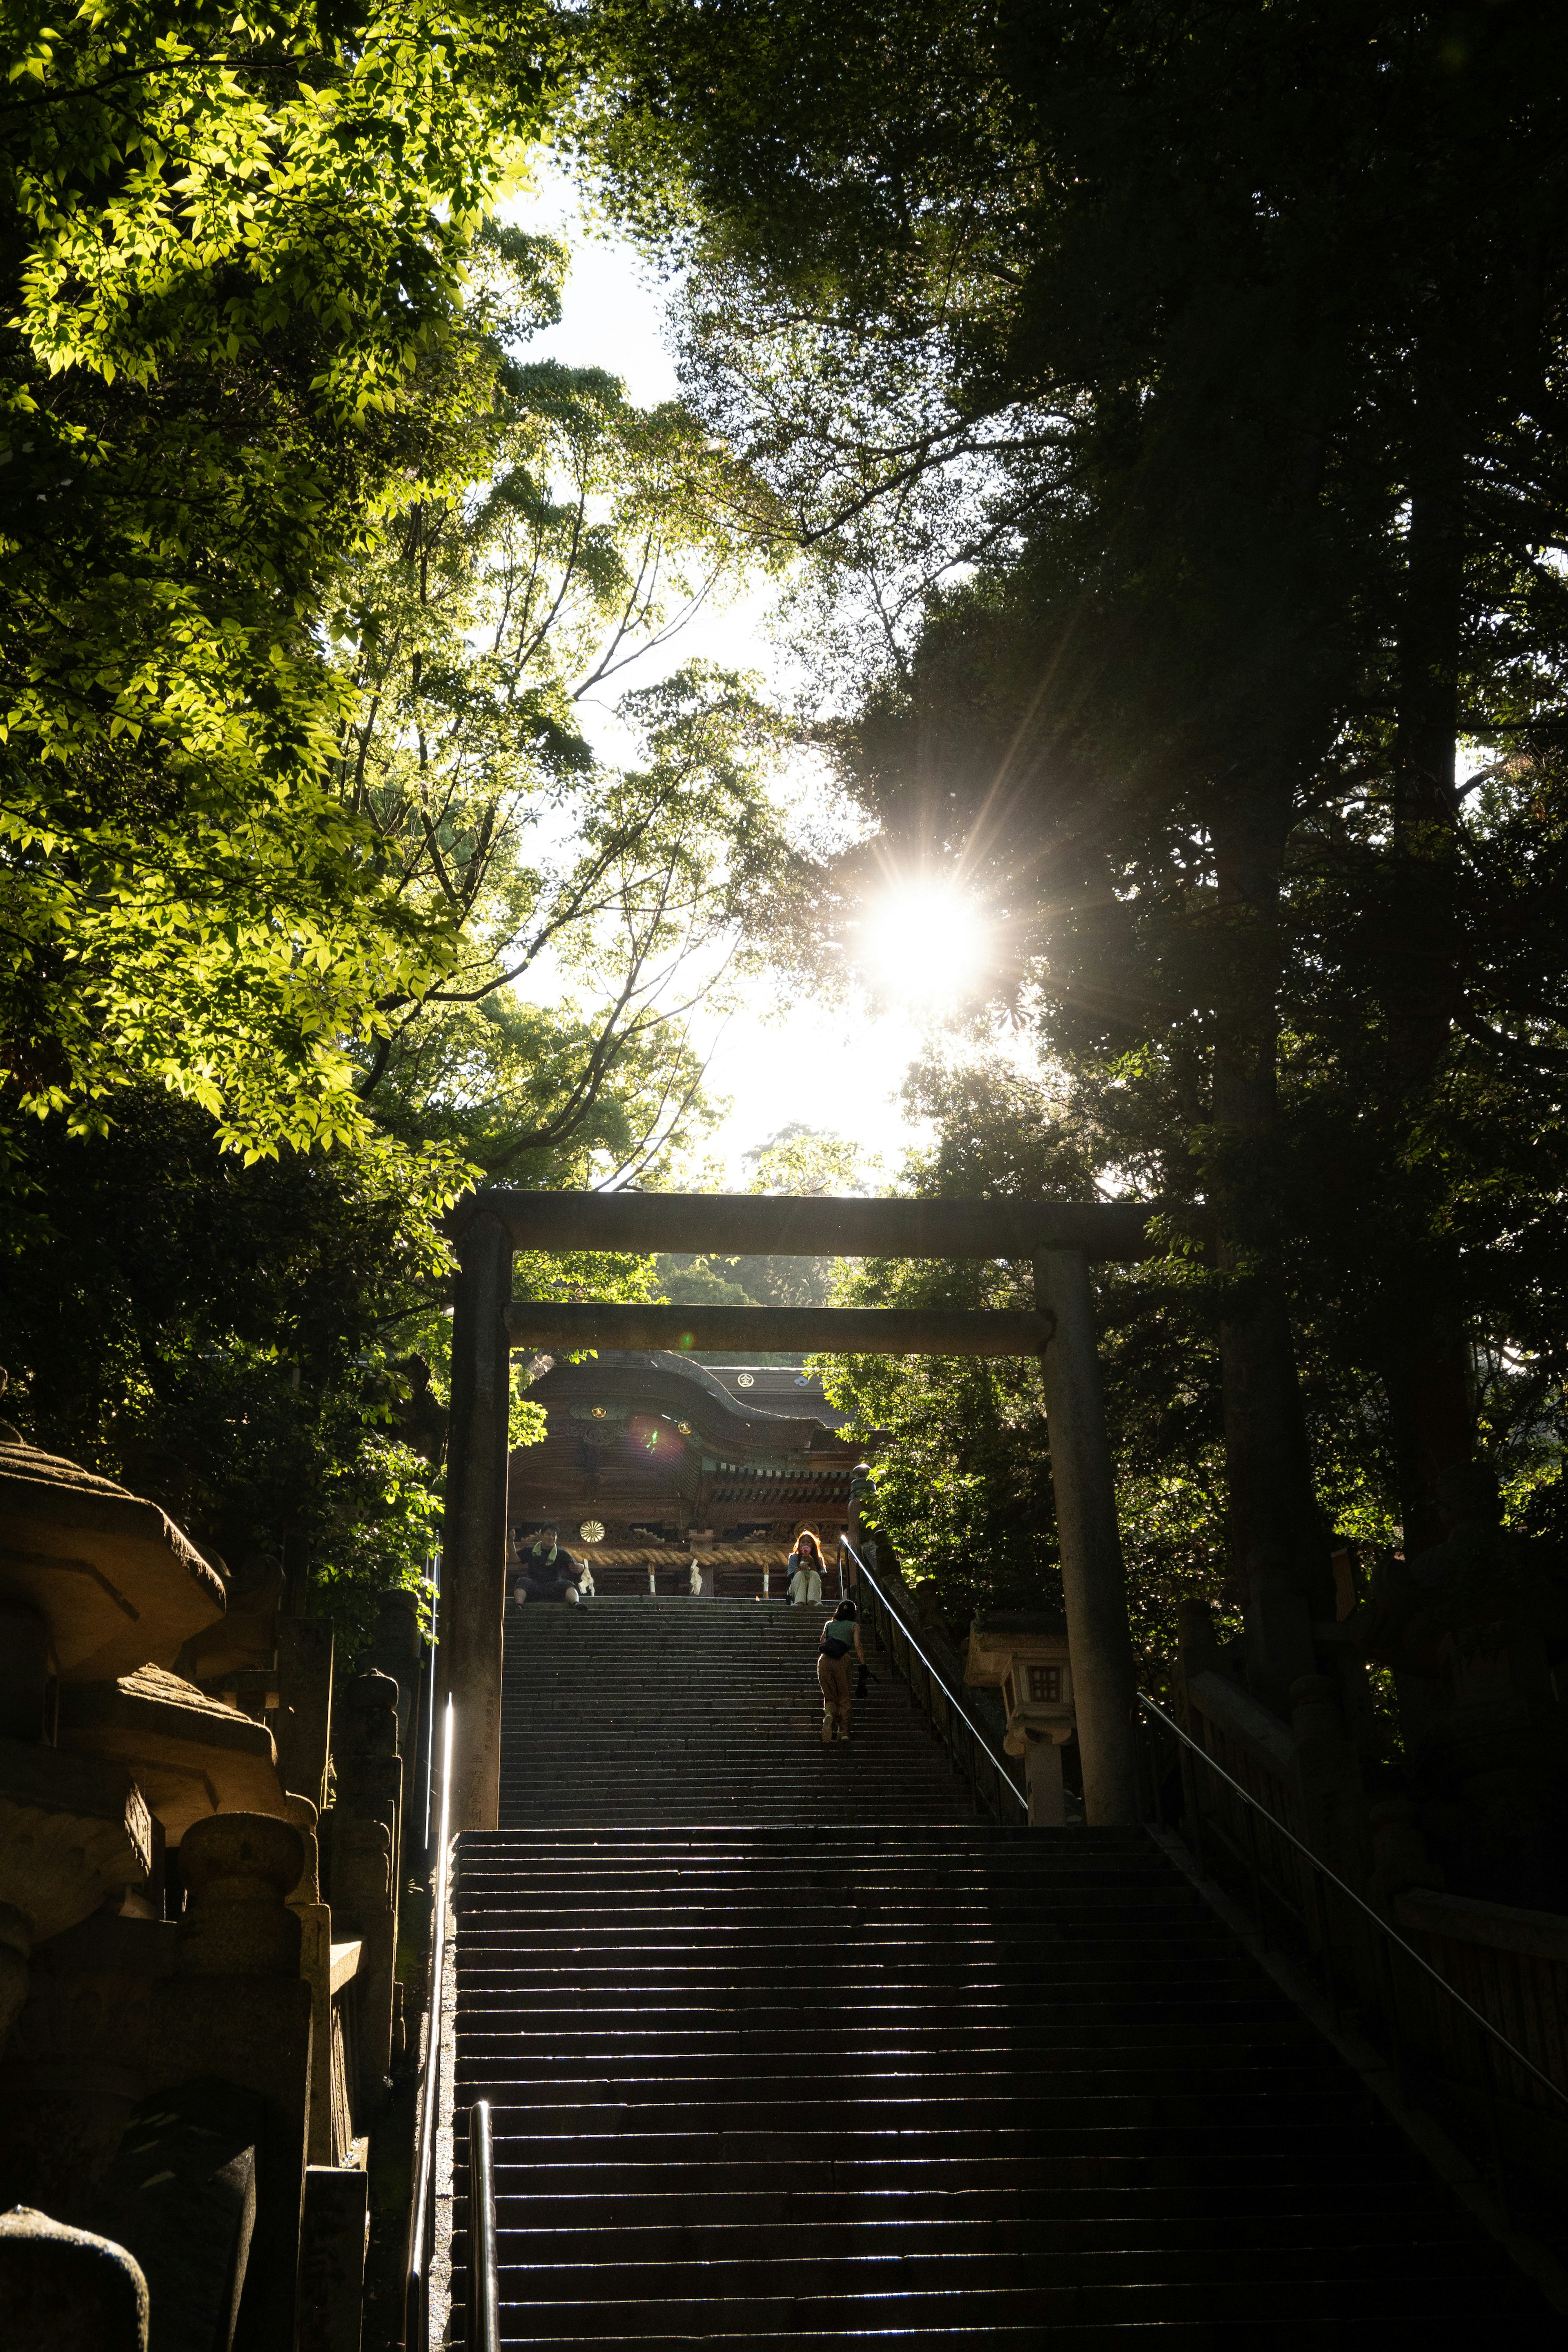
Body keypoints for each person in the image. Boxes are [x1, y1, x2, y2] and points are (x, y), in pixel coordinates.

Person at [817, 1599, 864, 1744]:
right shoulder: (854, 1626)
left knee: (830, 1696)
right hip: (842, 1660)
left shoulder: (829, 1624)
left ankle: (830, 1715)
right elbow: (857, 1646)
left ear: (838, 1611)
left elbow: (822, 1641)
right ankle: (843, 1732)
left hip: (824, 1661)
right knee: (844, 1696)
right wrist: (863, 1664)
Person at [512, 1526, 582, 1605]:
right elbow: (514, 1559)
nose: (551, 1537)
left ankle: (576, 1604)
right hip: (533, 1584)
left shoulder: (561, 1553)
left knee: (568, 1584)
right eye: (548, 1534)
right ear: (542, 1536)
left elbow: (574, 1565)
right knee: (522, 1582)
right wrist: (511, 1541)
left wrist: (581, 1567)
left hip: (554, 1585)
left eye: (554, 1535)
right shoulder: (531, 1550)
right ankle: (519, 1605)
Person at [787, 1528, 826, 1606]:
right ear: (800, 1544)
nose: (806, 1544)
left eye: (809, 1542)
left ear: (813, 1544)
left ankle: (813, 1601)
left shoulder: (819, 1559)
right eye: (803, 1542)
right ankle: (799, 1602)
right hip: (797, 1589)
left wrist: (812, 1562)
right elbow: (793, 1576)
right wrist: (800, 1567)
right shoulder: (794, 1558)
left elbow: (819, 1575)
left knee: (814, 1574)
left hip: (813, 1589)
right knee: (801, 1574)